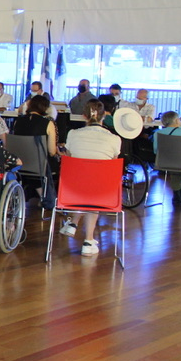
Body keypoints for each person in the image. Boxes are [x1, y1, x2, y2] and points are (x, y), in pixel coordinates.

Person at [59, 100, 121, 256]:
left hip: (72, 189)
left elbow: (69, 159)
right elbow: (112, 165)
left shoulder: (73, 134)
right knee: (95, 186)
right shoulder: (115, 139)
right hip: (102, 192)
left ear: (84, 116)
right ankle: (88, 240)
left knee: (85, 184)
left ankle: (73, 223)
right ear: (104, 116)